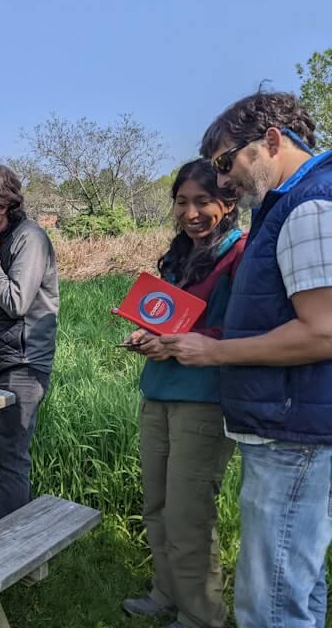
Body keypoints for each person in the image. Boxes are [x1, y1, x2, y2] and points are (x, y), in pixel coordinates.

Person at [161, 92, 332, 628]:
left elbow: (322, 332)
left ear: (273, 140)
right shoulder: (286, 207)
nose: (224, 178)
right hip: (289, 423)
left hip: (293, 433)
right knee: (296, 587)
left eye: (225, 162)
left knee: (271, 603)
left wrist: (214, 351)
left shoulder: (307, 207)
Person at [121, 160, 245, 628]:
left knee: (189, 513)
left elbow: (238, 329)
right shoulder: (178, 255)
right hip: (159, 390)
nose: (190, 212)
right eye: (181, 202)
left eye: (202, 202)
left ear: (228, 204)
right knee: (157, 503)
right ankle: (165, 593)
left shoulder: (241, 255)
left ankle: (201, 616)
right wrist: (146, 334)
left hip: (205, 399)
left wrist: (170, 342)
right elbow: (168, 316)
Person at [0, 164, 58, 519]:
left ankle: (12, 540)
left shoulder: (29, 239)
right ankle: (12, 523)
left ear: (2, 205)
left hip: (25, 362)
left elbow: (17, 301)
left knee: (11, 453)